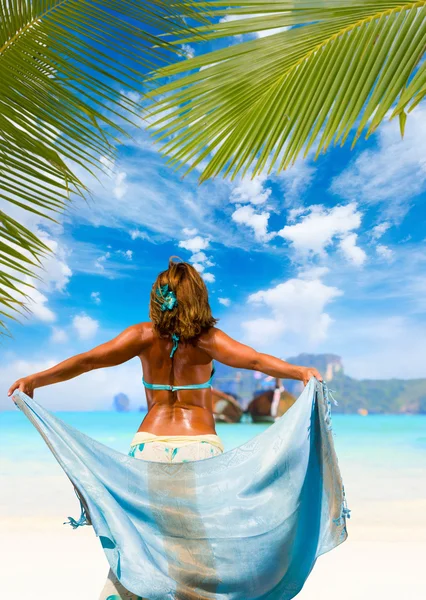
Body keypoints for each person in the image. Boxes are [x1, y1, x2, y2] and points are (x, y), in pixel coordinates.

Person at [8, 257, 323, 600]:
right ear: (198, 297)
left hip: (148, 447)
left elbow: (89, 360)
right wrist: (299, 371)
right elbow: (257, 360)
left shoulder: (141, 336)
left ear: (158, 299)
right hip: (199, 448)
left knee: (141, 540)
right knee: (197, 547)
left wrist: (35, 379)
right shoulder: (210, 340)